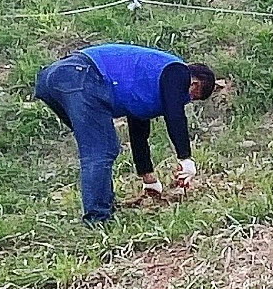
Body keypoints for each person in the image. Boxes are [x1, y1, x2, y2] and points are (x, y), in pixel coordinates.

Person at [34, 44, 219, 221]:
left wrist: (149, 178)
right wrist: (185, 158)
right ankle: (98, 218)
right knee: (100, 151)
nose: (187, 99)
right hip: (80, 75)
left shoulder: (145, 87)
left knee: (100, 147)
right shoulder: (177, 71)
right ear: (194, 83)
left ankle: (103, 206)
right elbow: (175, 115)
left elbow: (139, 133)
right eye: (194, 95)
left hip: (55, 78)